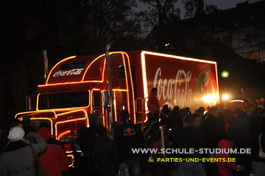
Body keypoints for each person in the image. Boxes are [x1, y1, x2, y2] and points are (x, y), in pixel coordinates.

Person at [114, 110, 145, 176]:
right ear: (129, 116)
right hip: (135, 155)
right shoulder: (136, 127)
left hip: (124, 156)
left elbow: (116, 144)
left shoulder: (118, 129)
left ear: (121, 117)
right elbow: (141, 141)